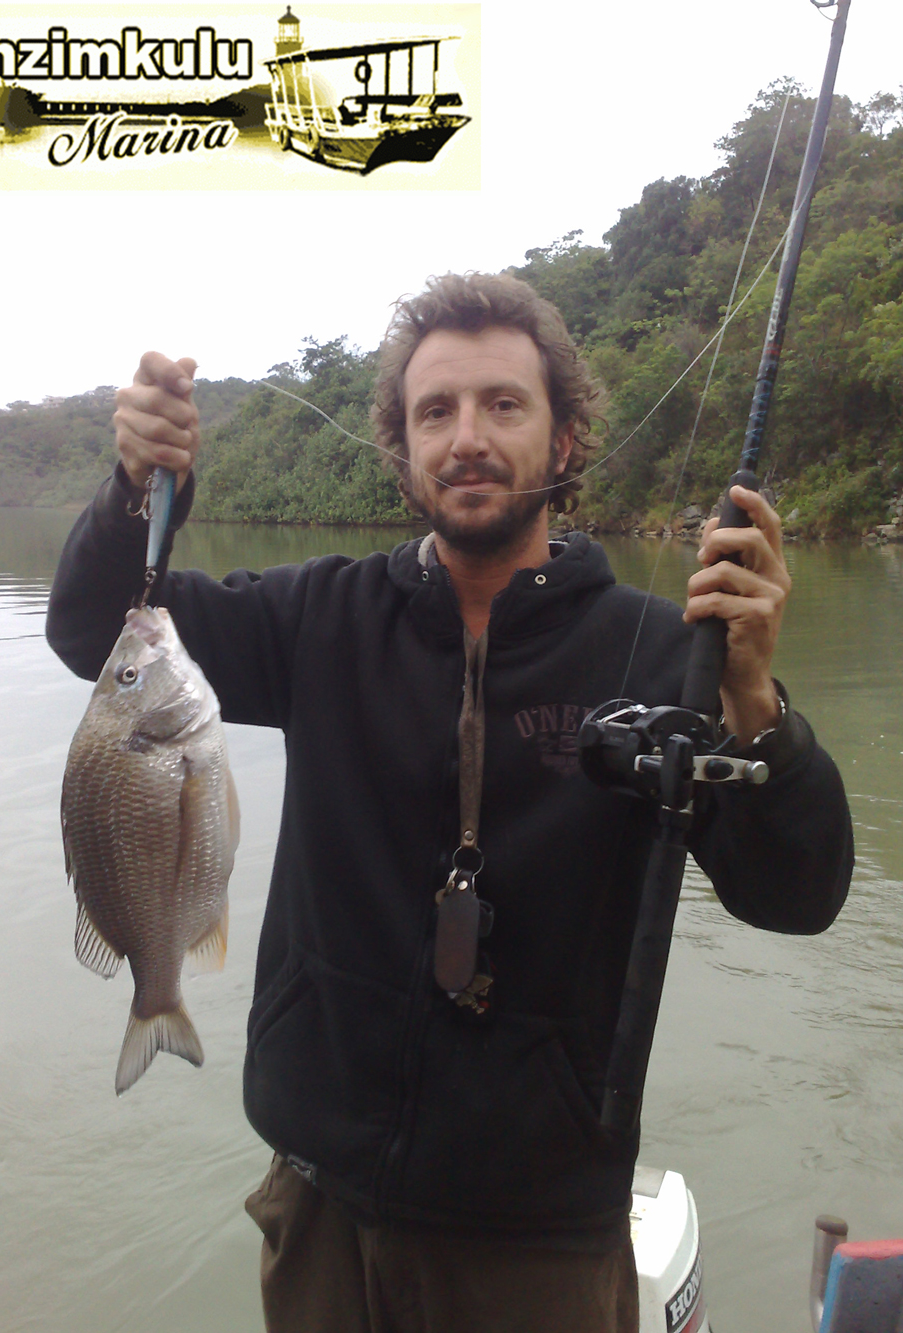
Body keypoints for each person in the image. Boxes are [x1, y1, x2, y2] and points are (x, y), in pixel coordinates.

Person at [46, 272, 853, 1333]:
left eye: (503, 404)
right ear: (402, 448)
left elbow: (797, 895)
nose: (467, 435)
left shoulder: (664, 651)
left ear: (564, 442)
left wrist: (754, 702)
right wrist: (134, 487)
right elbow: (95, 632)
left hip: (544, 1239)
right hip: (322, 1204)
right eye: (436, 411)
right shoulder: (318, 616)